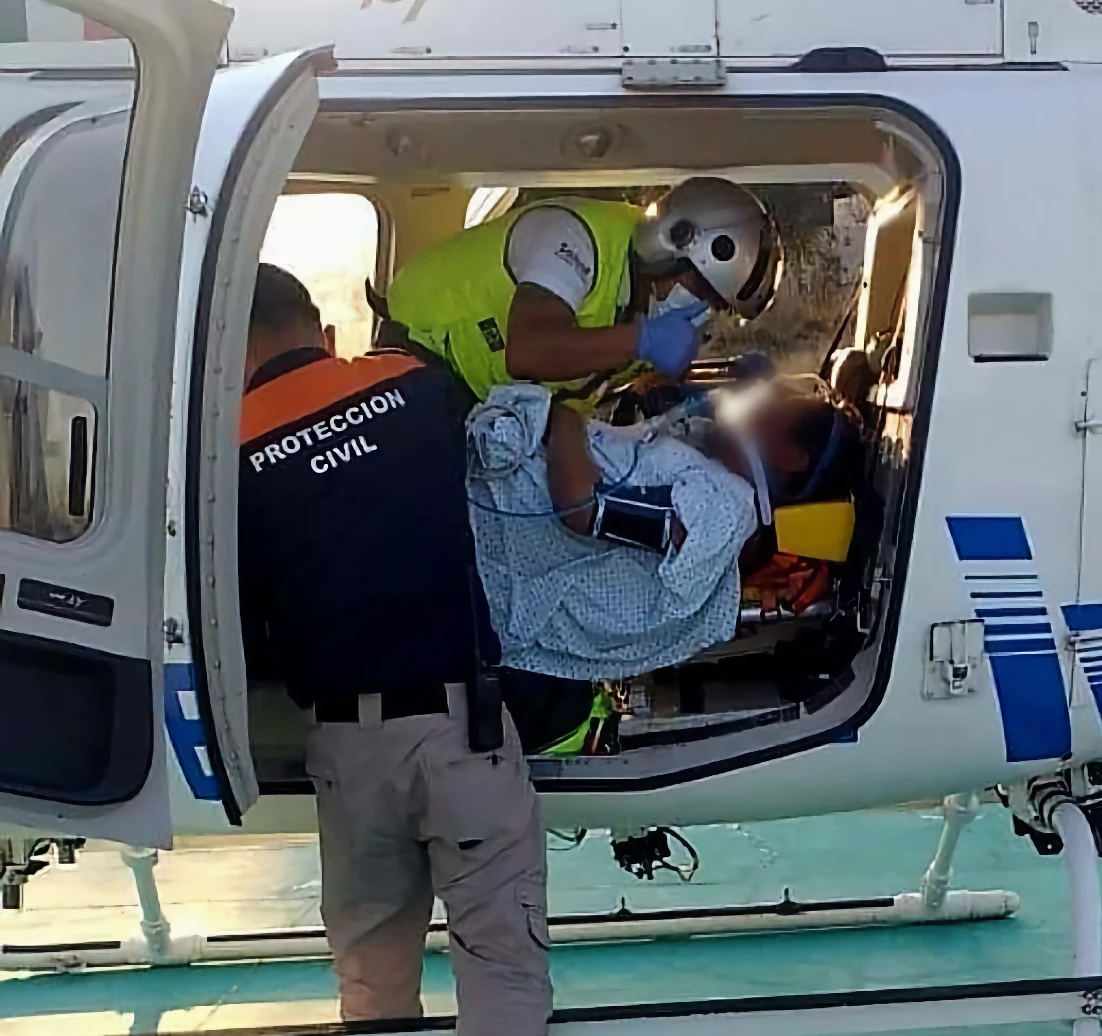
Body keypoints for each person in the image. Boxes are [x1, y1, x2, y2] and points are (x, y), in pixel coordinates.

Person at [238, 264, 550, 1035]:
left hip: (349, 751)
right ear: (318, 328)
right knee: (502, 969)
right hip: (461, 729)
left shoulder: (231, 451)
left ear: (233, 351)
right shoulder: (414, 384)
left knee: (373, 989)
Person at [466, 375, 865, 686]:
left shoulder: (723, 509)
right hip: (477, 526)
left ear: (792, 457)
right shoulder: (715, 482)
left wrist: (564, 418)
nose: (764, 400)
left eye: (780, 407)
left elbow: (582, 507)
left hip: (473, 540)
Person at [376, 177, 784, 413]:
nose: (702, 311)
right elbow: (530, 350)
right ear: (668, 246)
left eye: (716, 305)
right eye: (702, 290)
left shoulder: (640, 310)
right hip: (418, 359)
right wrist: (640, 340)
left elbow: (572, 397)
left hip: (482, 401)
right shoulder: (574, 237)